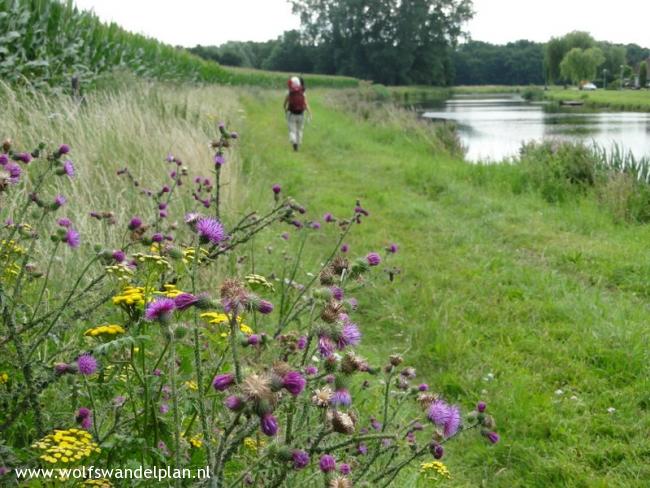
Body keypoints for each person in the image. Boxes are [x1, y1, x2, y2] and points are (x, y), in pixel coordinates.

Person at [283, 76, 310, 151]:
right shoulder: (302, 92)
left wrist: (285, 108)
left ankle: (294, 142)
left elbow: (285, 103)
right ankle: (298, 144)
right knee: (300, 130)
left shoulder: (289, 92)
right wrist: (309, 113)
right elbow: (306, 104)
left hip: (291, 114)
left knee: (292, 130)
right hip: (301, 114)